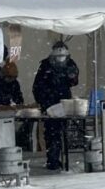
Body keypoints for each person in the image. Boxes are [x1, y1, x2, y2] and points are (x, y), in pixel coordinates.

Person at [32, 41, 80, 170]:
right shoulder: (46, 65)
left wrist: (72, 76)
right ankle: (53, 159)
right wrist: (44, 103)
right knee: (52, 133)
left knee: (60, 132)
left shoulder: (70, 64)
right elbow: (38, 87)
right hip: (50, 102)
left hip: (63, 102)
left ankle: (57, 158)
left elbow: (74, 82)